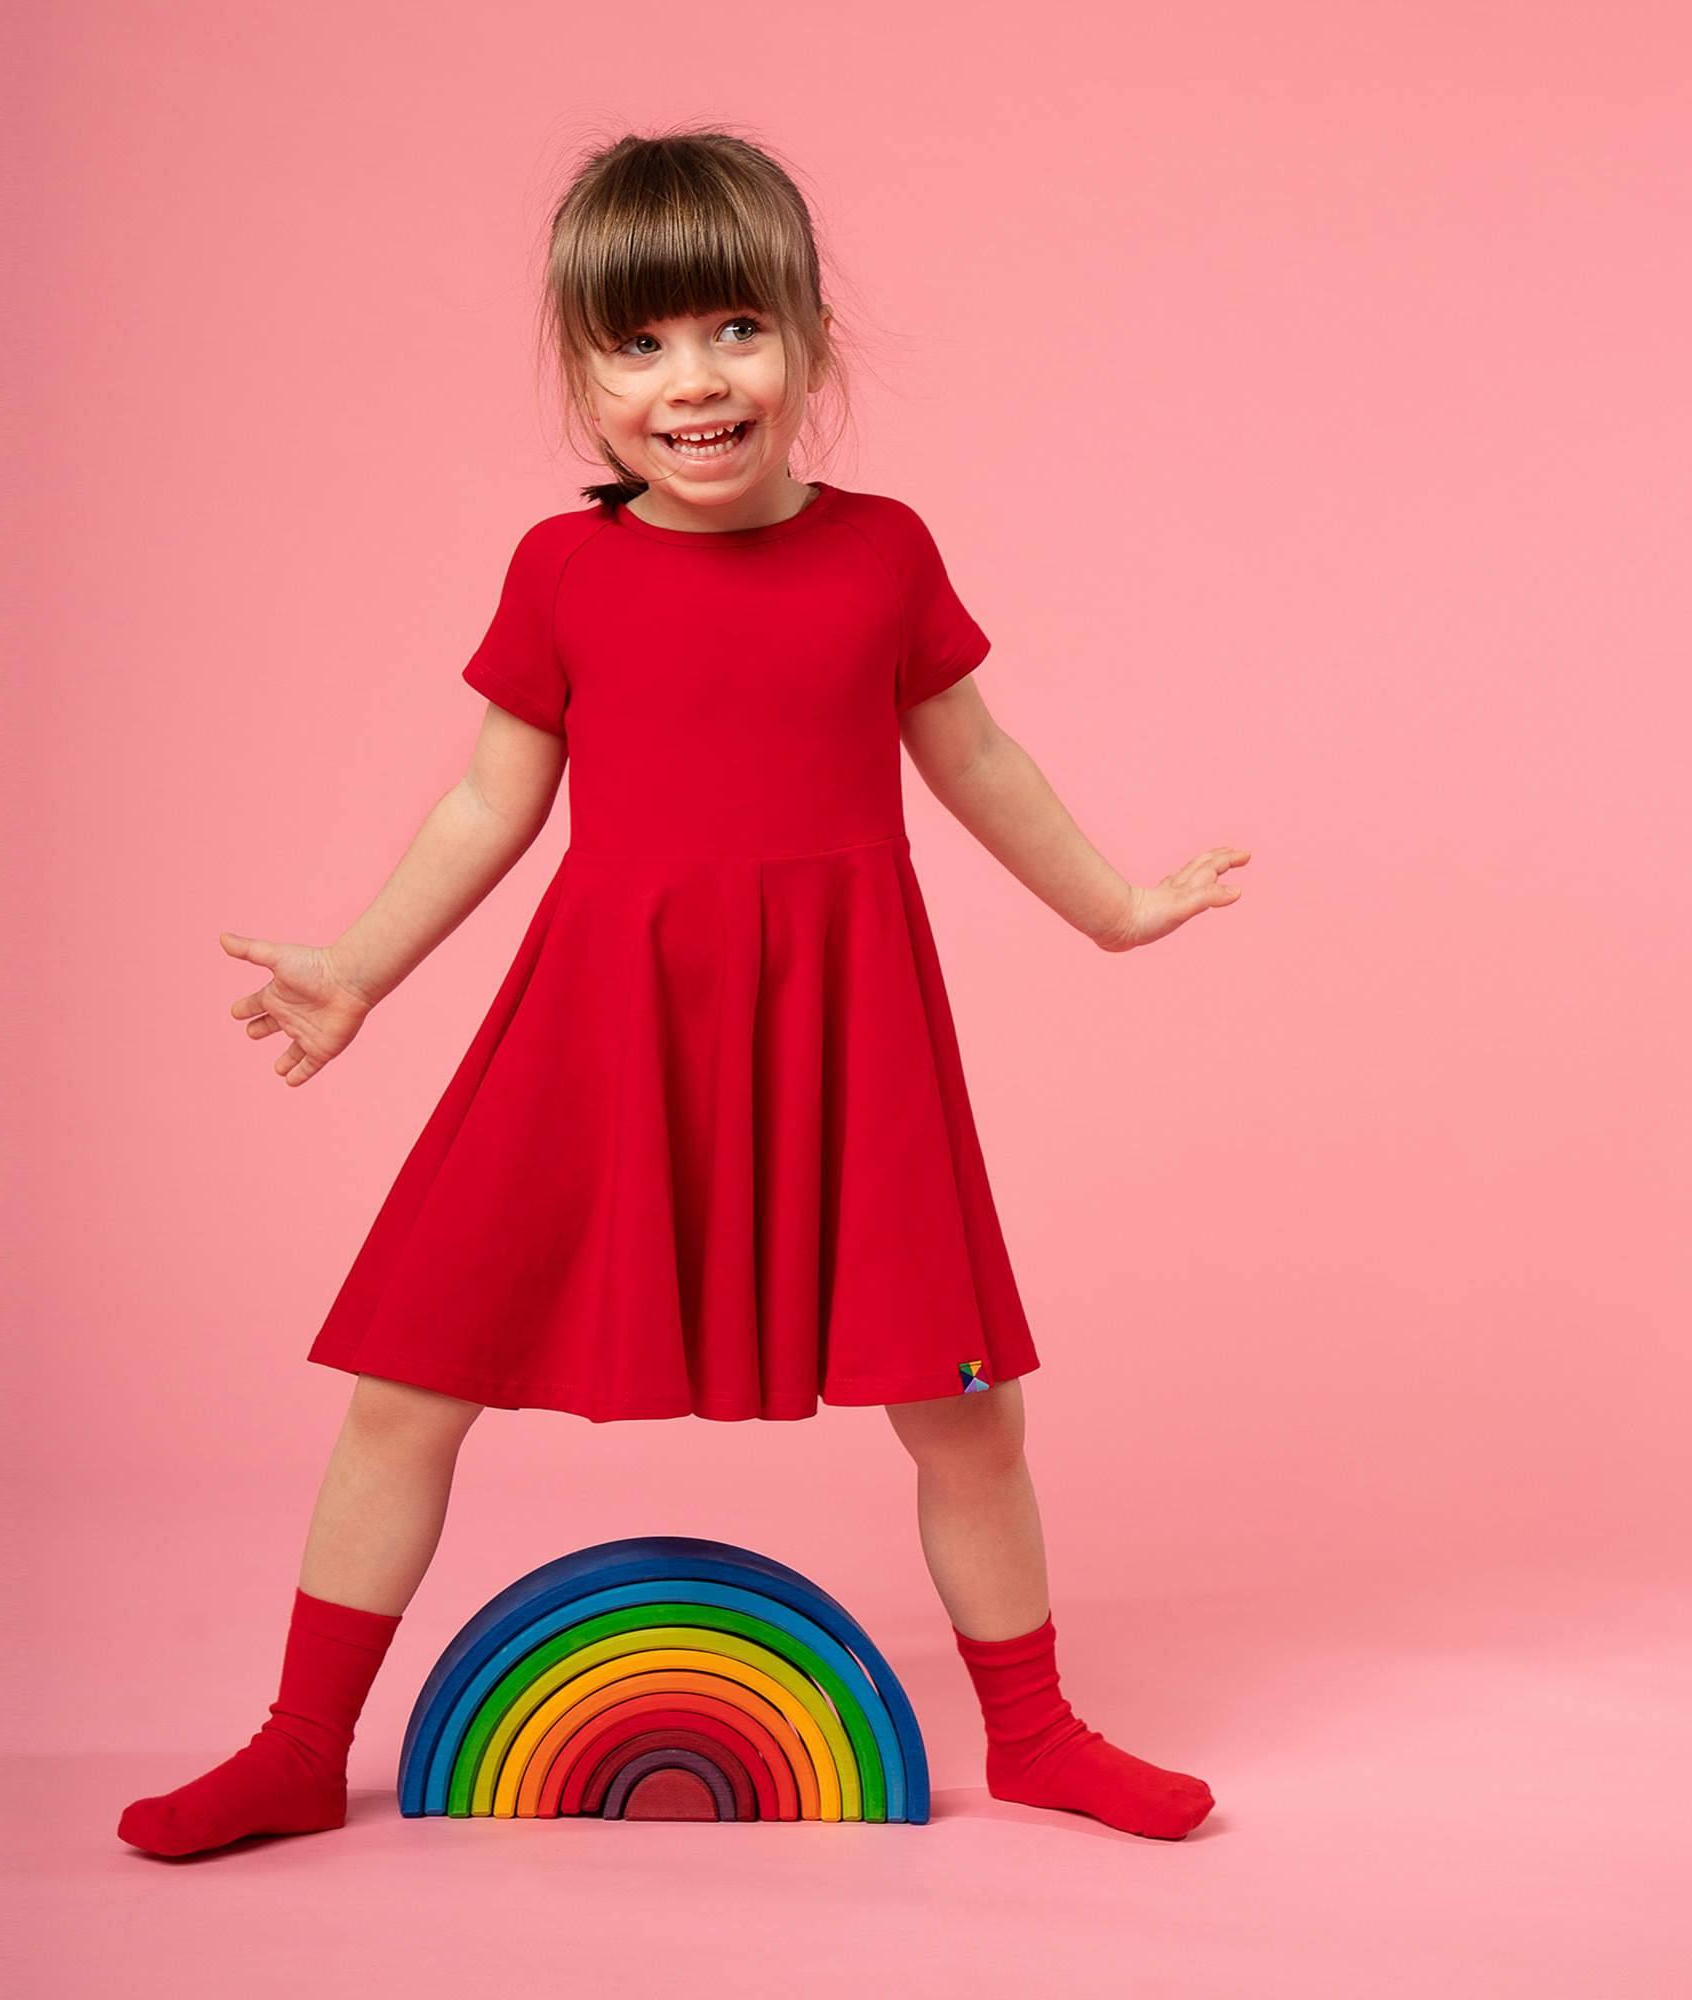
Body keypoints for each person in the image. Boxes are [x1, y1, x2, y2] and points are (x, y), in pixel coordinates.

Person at [118, 126, 1246, 1858]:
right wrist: (355, 967)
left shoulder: (883, 552)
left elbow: (975, 753)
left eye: (733, 329)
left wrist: (1110, 906)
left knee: (964, 1409)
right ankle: (291, 1743)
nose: (691, 381)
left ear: (809, 338)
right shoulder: (564, 569)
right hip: (602, 1023)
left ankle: (1034, 1734)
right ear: (581, 374)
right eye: (635, 345)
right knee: (406, 1380)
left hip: (842, 1024)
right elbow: (493, 797)